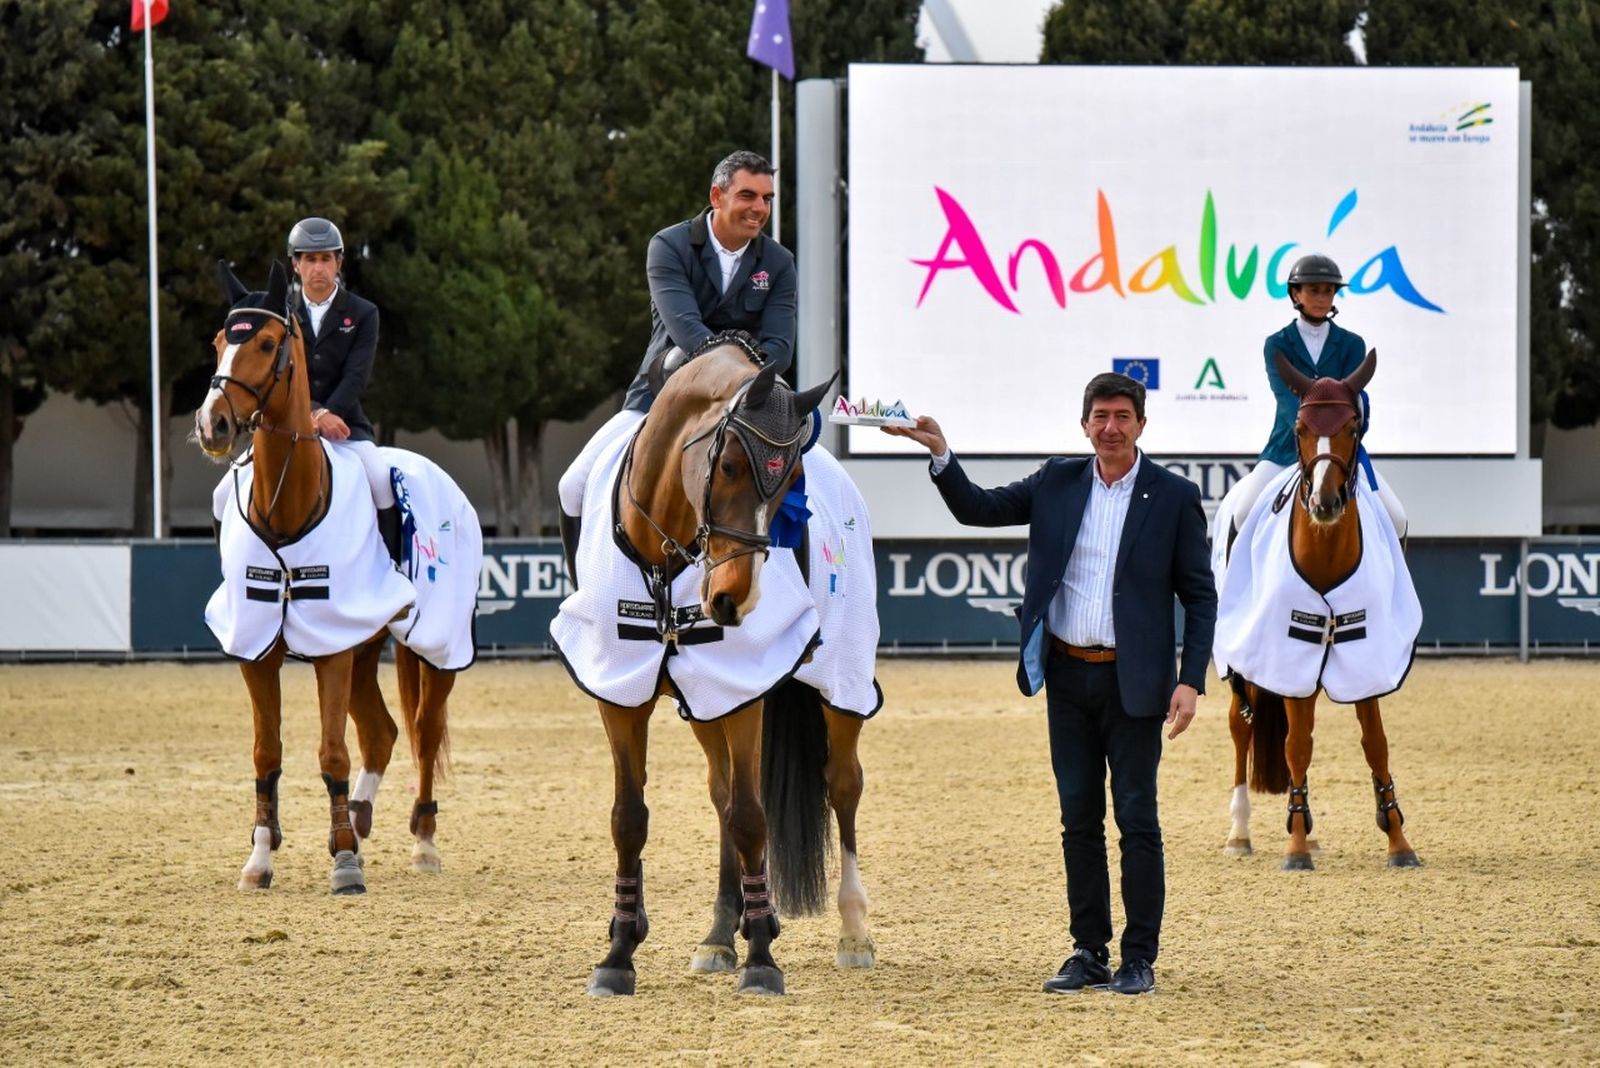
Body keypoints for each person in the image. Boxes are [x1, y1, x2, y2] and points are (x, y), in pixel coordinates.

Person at [884, 373, 1215, 996]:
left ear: (1141, 425)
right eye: (1100, 416)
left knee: (1138, 819)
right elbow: (979, 509)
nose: (1110, 427)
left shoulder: (1173, 495)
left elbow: (1200, 597)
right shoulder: (1057, 481)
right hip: (1066, 676)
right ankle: (1088, 950)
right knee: (1078, 820)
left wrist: (1190, 679)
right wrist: (940, 455)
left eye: (1122, 416)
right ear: (1084, 423)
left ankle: (1138, 957)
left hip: (1136, 683)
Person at [555, 150, 798, 582]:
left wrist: (744, 386)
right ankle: (584, 598)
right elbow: (687, 330)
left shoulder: (778, 263)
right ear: (717, 195)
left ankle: (797, 607)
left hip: (749, 410)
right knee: (572, 487)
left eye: (767, 198)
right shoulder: (669, 245)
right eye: (748, 195)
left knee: (805, 487)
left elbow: (780, 347)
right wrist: (741, 362)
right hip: (661, 397)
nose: (760, 208)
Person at [1211, 253, 1408, 553]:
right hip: (1286, 449)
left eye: (1328, 290)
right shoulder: (1277, 344)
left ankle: (1395, 598)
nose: (1321, 297)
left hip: (1341, 453)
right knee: (1243, 512)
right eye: (1314, 290)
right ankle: (1234, 595)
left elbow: (1352, 402)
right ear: (1295, 293)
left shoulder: (1352, 345)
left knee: (1396, 518)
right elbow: (1288, 400)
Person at [284, 216, 400, 560]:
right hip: (288, 425)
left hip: (346, 424)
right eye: (309, 259)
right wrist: (315, 414)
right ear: (295, 264)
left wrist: (330, 413)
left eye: (325, 259)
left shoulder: (364, 313)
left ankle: (392, 564)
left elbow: (357, 376)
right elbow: (281, 377)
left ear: (339, 262)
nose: (318, 268)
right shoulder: (279, 313)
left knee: (380, 480)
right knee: (221, 494)